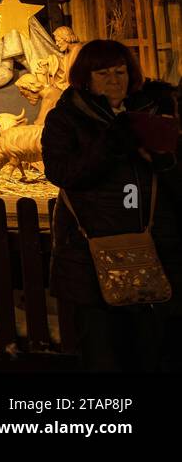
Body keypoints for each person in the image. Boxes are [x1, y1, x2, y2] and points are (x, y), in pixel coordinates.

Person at [41, 40, 182, 371]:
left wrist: (165, 161)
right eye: (102, 73)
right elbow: (62, 173)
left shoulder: (160, 110)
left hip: (157, 250)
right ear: (85, 78)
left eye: (120, 72)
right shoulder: (67, 118)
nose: (114, 80)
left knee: (155, 351)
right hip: (91, 253)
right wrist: (110, 144)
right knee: (103, 352)